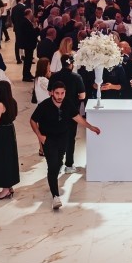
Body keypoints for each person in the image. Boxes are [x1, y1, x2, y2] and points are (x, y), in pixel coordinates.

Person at [30, 81, 101, 210]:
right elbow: (33, 120)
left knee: (58, 164)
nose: (59, 96)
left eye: (62, 93)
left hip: (63, 138)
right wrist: (40, 136)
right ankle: (55, 196)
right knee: (52, 166)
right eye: (57, 93)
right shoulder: (44, 106)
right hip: (48, 139)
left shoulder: (67, 103)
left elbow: (77, 118)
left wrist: (90, 127)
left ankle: (54, 181)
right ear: (52, 92)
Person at [0, 80, 20, 200]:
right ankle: (9, 186)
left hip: (1, 134)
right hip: (10, 131)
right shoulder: (13, 102)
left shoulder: (0, 105)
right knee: (9, 159)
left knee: (2, 160)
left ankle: (5, 189)